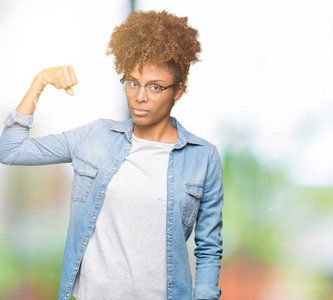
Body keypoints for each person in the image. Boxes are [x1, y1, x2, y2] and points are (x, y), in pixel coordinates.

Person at [0, 10, 223, 300]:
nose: (140, 96)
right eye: (132, 82)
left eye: (155, 87)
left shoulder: (202, 157)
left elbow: (208, 249)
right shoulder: (95, 137)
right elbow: (10, 150)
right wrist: (38, 83)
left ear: (178, 89)